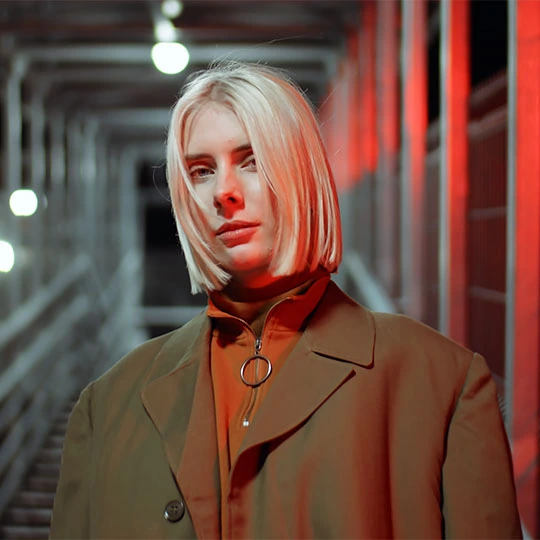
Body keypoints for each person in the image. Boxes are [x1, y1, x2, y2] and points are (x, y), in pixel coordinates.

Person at [50, 61, 522, 539]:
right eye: (201, 171)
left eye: (252, 160)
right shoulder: (106, 406)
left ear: (302, 172)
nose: (224, 192)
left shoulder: (440, 382)